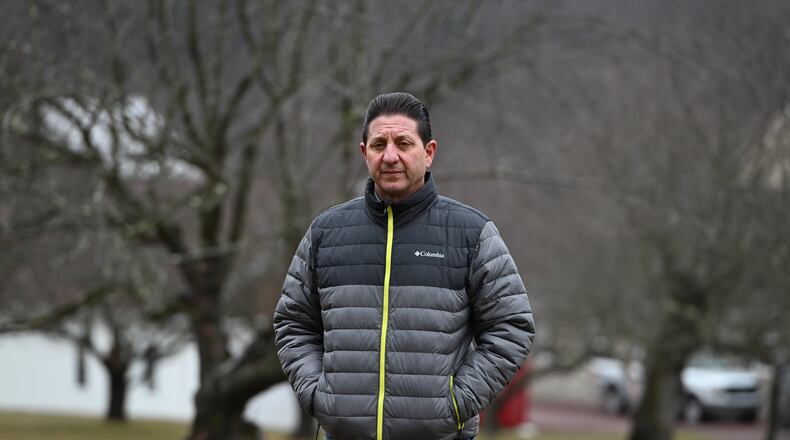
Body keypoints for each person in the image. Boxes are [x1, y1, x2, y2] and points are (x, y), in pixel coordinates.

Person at [274, 92, 535, 440]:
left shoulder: (472, 233)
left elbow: (512, 326)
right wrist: (320, 396)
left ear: (428, 153)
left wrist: (456, 404)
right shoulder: (326, 231)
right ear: (364, 152)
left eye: (403, 142)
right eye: (379, 144)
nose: (391, 155)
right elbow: (293, 323)